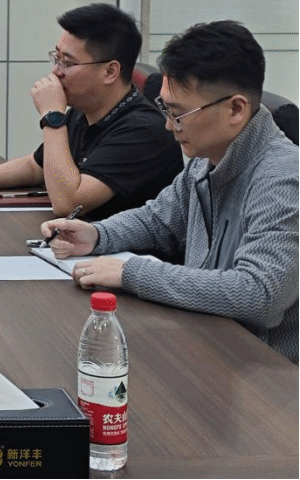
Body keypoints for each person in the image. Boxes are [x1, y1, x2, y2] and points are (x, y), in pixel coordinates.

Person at [43, 21, 298, 363]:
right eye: (166, 109)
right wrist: (97, 235)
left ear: (235, 109)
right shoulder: (207, 157)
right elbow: (158, 221)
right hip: (207, 346)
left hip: (262, 372)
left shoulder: (283, 178)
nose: (168, 125)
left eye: (178, 114)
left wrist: (133, 273)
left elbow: (259, 294)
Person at [0, 3, 183, 220]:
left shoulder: (144, 131)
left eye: (67, 63)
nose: (56, 71)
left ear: (110, 72)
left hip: (129, 252)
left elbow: (68, 204)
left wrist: (52, 116)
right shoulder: (83, 110)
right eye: (56, 58)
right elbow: (36, 166)